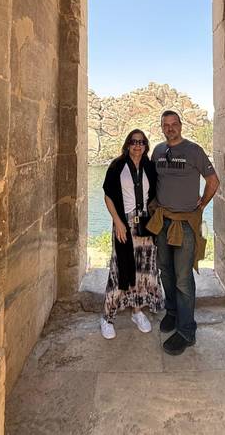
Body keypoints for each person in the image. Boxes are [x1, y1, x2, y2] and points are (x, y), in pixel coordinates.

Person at [147, 110, 220, 355]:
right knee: (165, 271)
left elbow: (213, 181)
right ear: (161, 127)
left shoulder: (194, 151)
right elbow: (153, 182)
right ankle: (172, 312)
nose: (170, 128)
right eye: (165, 125)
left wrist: (201, 205)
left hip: (185, 225)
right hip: (162, 222)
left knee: (183, 278)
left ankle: (187, 331)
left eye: (174, 124)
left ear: (180, 125)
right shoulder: (157, 151)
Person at [100, 129, 164, 339]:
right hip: (124, 224)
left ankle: (137, 311)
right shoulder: (117, 166)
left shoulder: (150, 167)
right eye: (134, 141)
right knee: (120, 269)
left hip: (145, 224)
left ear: (146, 145)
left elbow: (158, 192)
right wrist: (117, 222)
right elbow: (108, 196)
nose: (137, 145)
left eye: (142, 142)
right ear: (128, 144)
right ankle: (107, 317)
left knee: (143, 271)